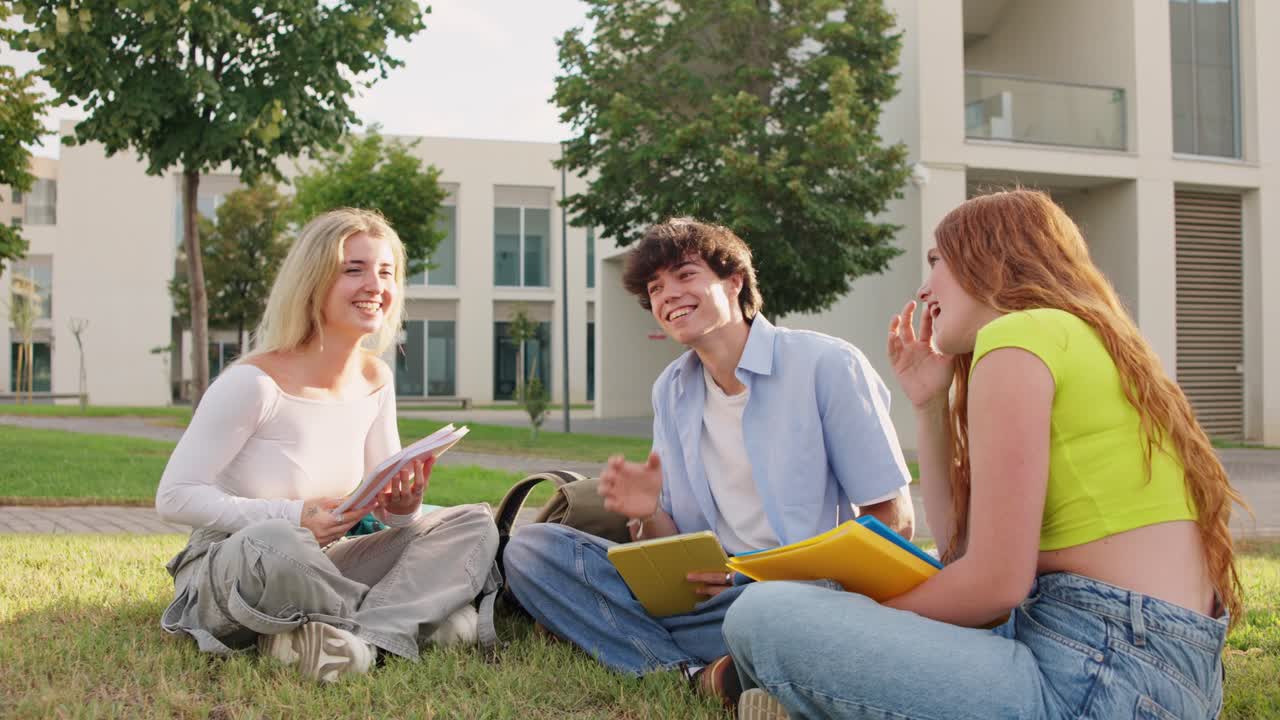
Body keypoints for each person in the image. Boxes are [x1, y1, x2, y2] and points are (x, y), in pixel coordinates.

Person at [723, 189, 1246, 719]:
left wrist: (864, 618)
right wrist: (929, 405)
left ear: (992, 259)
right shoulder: (1087, 336)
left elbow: (994, 586)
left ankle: (772, 685)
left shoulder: (1018, 335)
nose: (925, 289)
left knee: (763, 613)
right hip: (1154, 675)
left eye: (937, 262)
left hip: (1096, 679)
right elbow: (961, 553)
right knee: (827, 600)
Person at [502, 218, 914, 693]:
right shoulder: (672, 390)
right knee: (534, 550)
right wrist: (647, 513)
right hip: (707, 595)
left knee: (772, 614)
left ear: (734, 280)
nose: (668, 295)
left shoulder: (827, 366)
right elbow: (675, 542)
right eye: (656, 288)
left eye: (685, 274)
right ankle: (702, 674)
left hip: (802, 595)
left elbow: (894, 521)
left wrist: (756, 576)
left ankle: (629, 640)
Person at [156, 208, 499, 682]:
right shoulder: (254, 383)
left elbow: (386, 511)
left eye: (386, 272)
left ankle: (354, 640)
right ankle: (419, 623)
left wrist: (404, 506)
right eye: (353, 269)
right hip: (242, 560)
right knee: (278, 543)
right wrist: (294, 516)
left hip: (330, 557)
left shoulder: (376, 379)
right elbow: (174, 496)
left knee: (473, 523)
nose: (375, 285)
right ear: (313, 280)